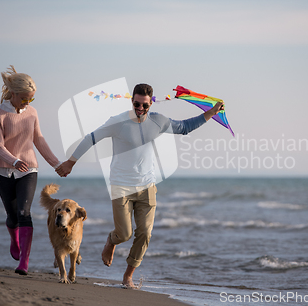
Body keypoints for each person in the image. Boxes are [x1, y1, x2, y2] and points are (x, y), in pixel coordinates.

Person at [56, 83, 223, 288]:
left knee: (144, 233)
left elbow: (185, 128)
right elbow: (91, 138)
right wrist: (71, 162)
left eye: (145, 105)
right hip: (121, 187)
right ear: (132, 101)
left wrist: (211, 113)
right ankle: (112, 240)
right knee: (124, 234)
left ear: (151, 103)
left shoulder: (158, 121)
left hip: (147, 186)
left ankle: (128, 276)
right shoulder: (118, 122)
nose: (140, 109)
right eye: (137, 104)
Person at [0, 65, 61, 275]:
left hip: (28, 169)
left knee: (24, 212)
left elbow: (38, 139)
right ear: (13, 93)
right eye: (24, 98)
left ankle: (24, 262)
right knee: (12, 216)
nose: (27, 103)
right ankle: (15, 240)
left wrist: (56, 164)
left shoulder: (32, 112)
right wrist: (13, 161)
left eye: (31, 99)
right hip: (3, 169)